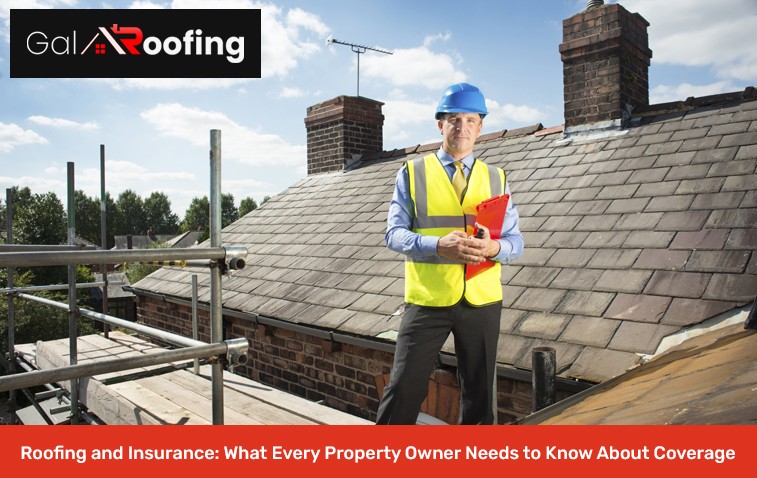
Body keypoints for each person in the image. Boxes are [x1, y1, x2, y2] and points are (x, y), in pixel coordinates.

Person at [377, 83, 524, 425]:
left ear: (480, 126)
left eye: (470, 120)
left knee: (480, 400)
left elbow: (516, 242)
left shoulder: (497, 178)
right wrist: (438, 245)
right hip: (428, 301)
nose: (462, 128)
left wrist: (494, 248)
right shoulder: (412, 174)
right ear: (439, 124)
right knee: (403, 390)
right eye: (454, 120)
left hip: (483, 301)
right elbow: (393, 235)